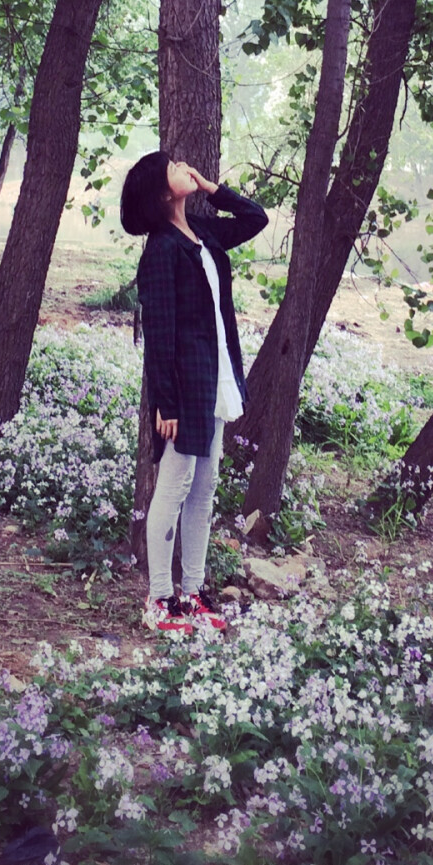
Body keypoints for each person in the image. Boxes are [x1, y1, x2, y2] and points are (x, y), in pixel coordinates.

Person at [120, 152, 267, 633]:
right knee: (175, 486)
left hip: (216, 376)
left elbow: (255, 218)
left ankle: (193, 591)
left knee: (204, 489)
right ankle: (160, 599)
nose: (183, 165)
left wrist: (210, 188)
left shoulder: (203, 234)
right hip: (183, 389)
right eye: (173, 166)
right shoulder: (161, 250)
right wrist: (164, 401)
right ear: (163, 193)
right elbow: (160, 334)